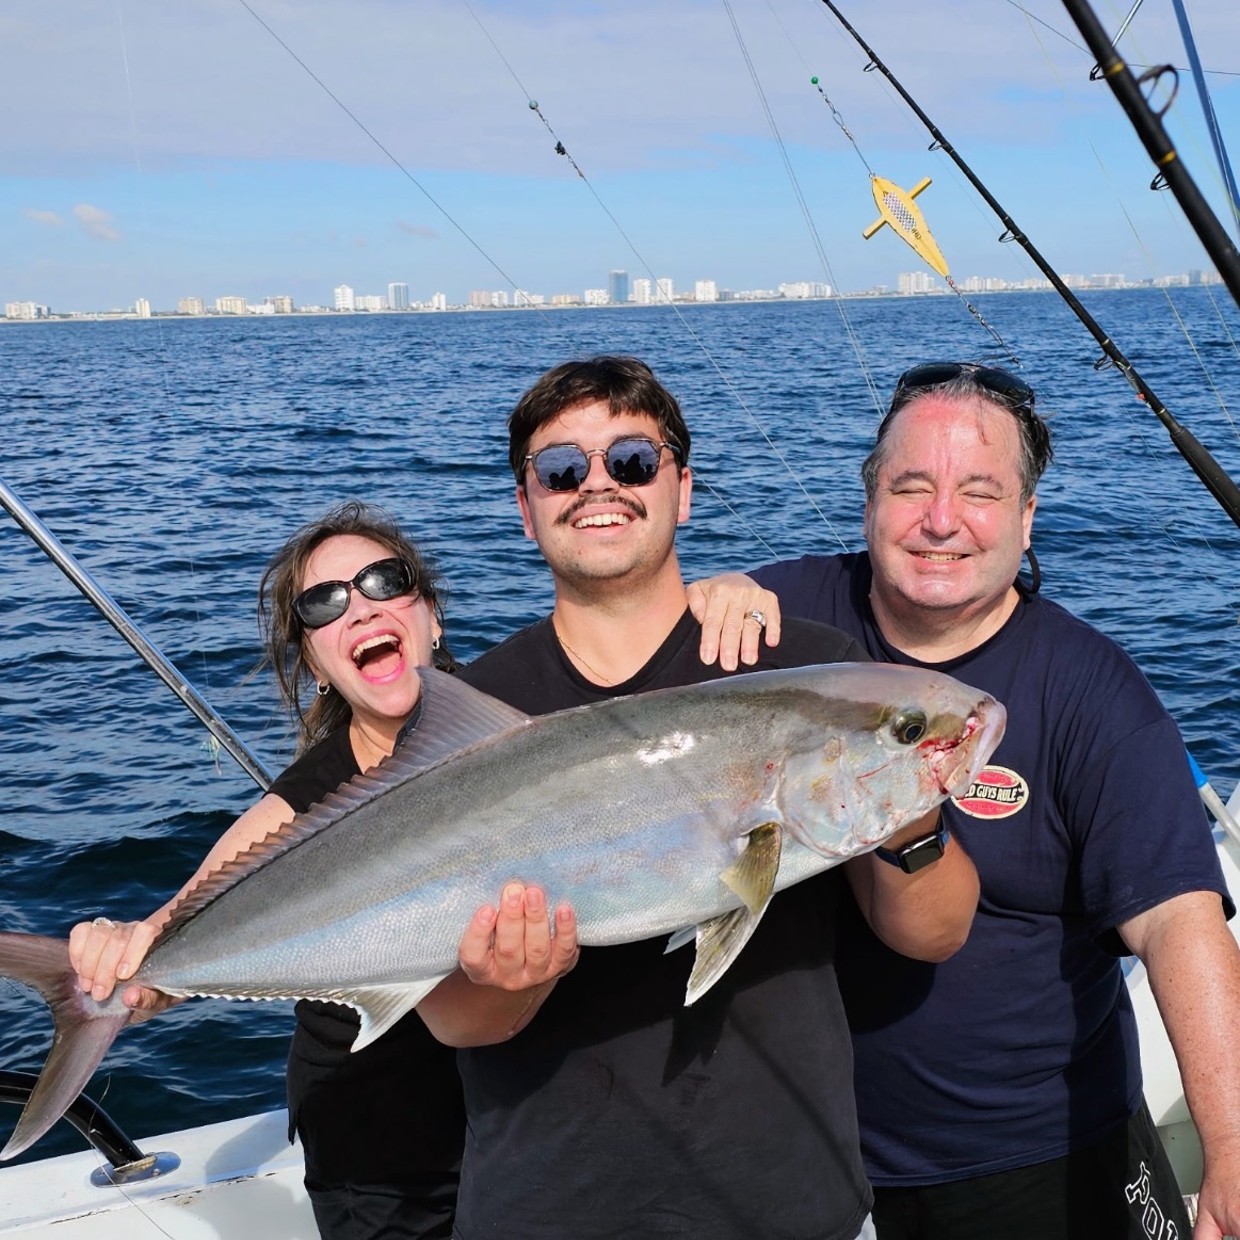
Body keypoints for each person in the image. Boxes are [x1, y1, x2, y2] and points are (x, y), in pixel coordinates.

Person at [414, 355, 982, 1240]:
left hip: (794, 1207)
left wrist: (908, 816)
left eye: (632, 461)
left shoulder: (800, 666)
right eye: (561, 470)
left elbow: (935, 930)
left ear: (683, 486)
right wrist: (510, 985)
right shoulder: (476, 708)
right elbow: (453, 1020)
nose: (597, 485)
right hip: (544, 1214)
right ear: (525, 510)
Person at [690, 361, 1240, 1240]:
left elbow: (1178, 920)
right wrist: (696, 599)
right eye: (912, 486)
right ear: (870, 498)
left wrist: (1233, 1145)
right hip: (803, 1155)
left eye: (979, 493)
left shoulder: (1091, 690)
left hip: (1037, 1155)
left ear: (1026, 521)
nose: (940, 520)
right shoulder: (781, 622)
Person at [68, 501, 467, 1240]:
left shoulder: (523, 724)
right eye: (325, 603)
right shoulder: (306, 801)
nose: (360, 608)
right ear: (315, 661)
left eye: (386, 579)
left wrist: (728, 596)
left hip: (523, 1117)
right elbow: (164, 944)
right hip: (377, 1156)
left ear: (431, 616)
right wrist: (119, 959)